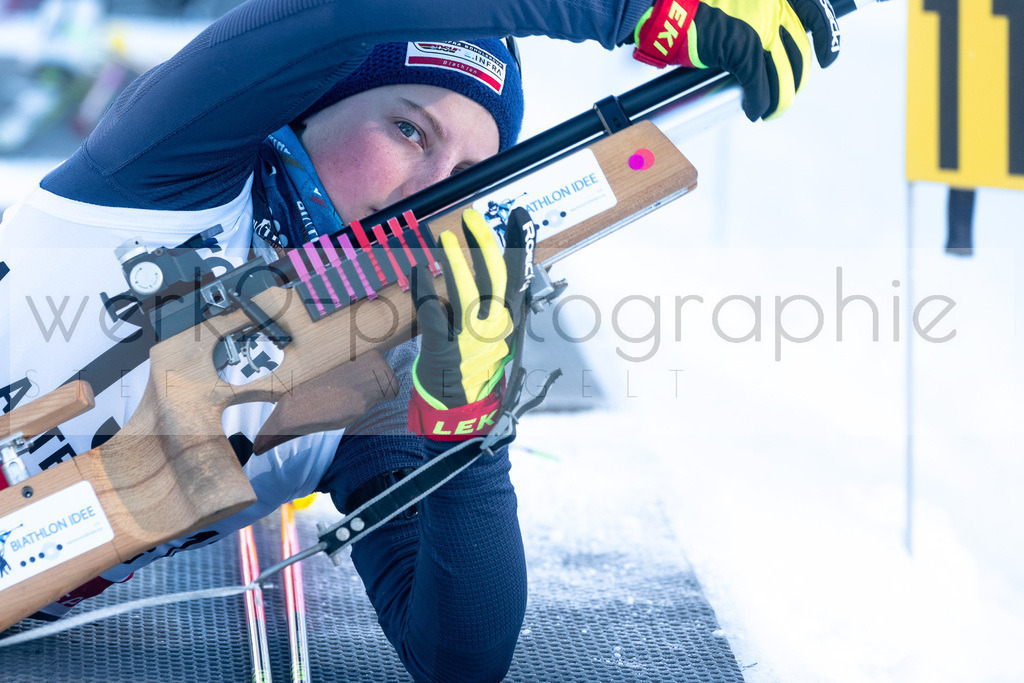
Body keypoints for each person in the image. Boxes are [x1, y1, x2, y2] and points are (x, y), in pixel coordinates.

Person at [0, 0, 841, 679]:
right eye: (409, 130)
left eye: (470, 175)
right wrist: (629, 10)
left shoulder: (360, 376)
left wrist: (471, 428)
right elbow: (339, 15)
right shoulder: (160, 174)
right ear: (310, 106)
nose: (434, 189)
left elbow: (457, 656)